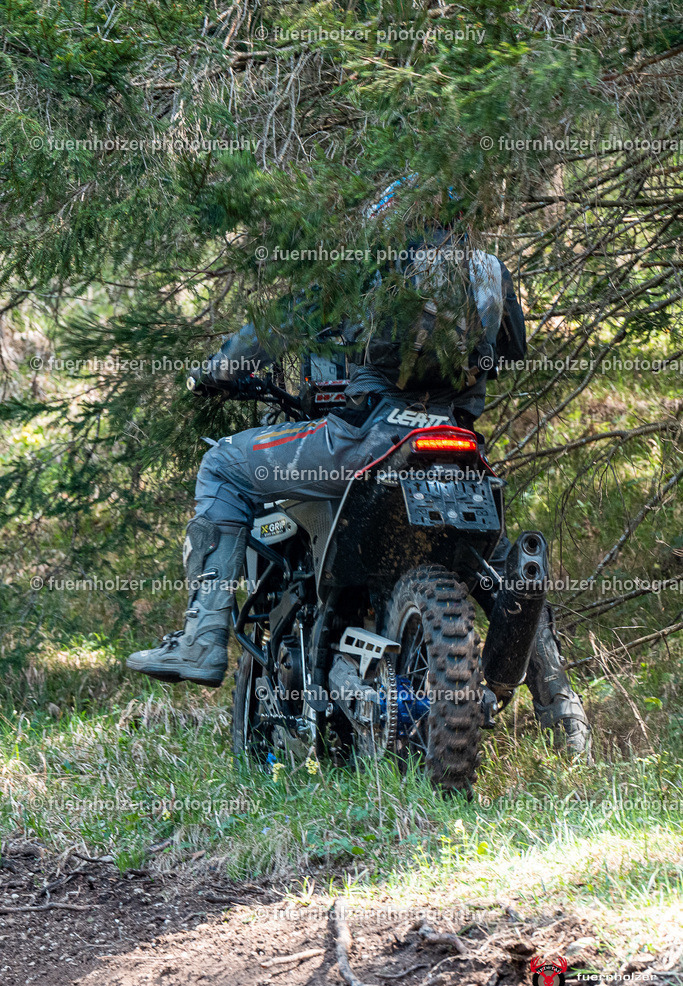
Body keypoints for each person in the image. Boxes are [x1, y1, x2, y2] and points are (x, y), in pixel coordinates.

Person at [127, 180, 591, 755]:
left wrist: (215, 372)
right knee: (499, 569)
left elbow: (268, 334)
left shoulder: (359, 265)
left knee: (222, 464)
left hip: (369, 441)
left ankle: (201, 640)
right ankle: (566, 719)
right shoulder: (488, 269)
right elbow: (512, 352)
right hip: (458, 444)